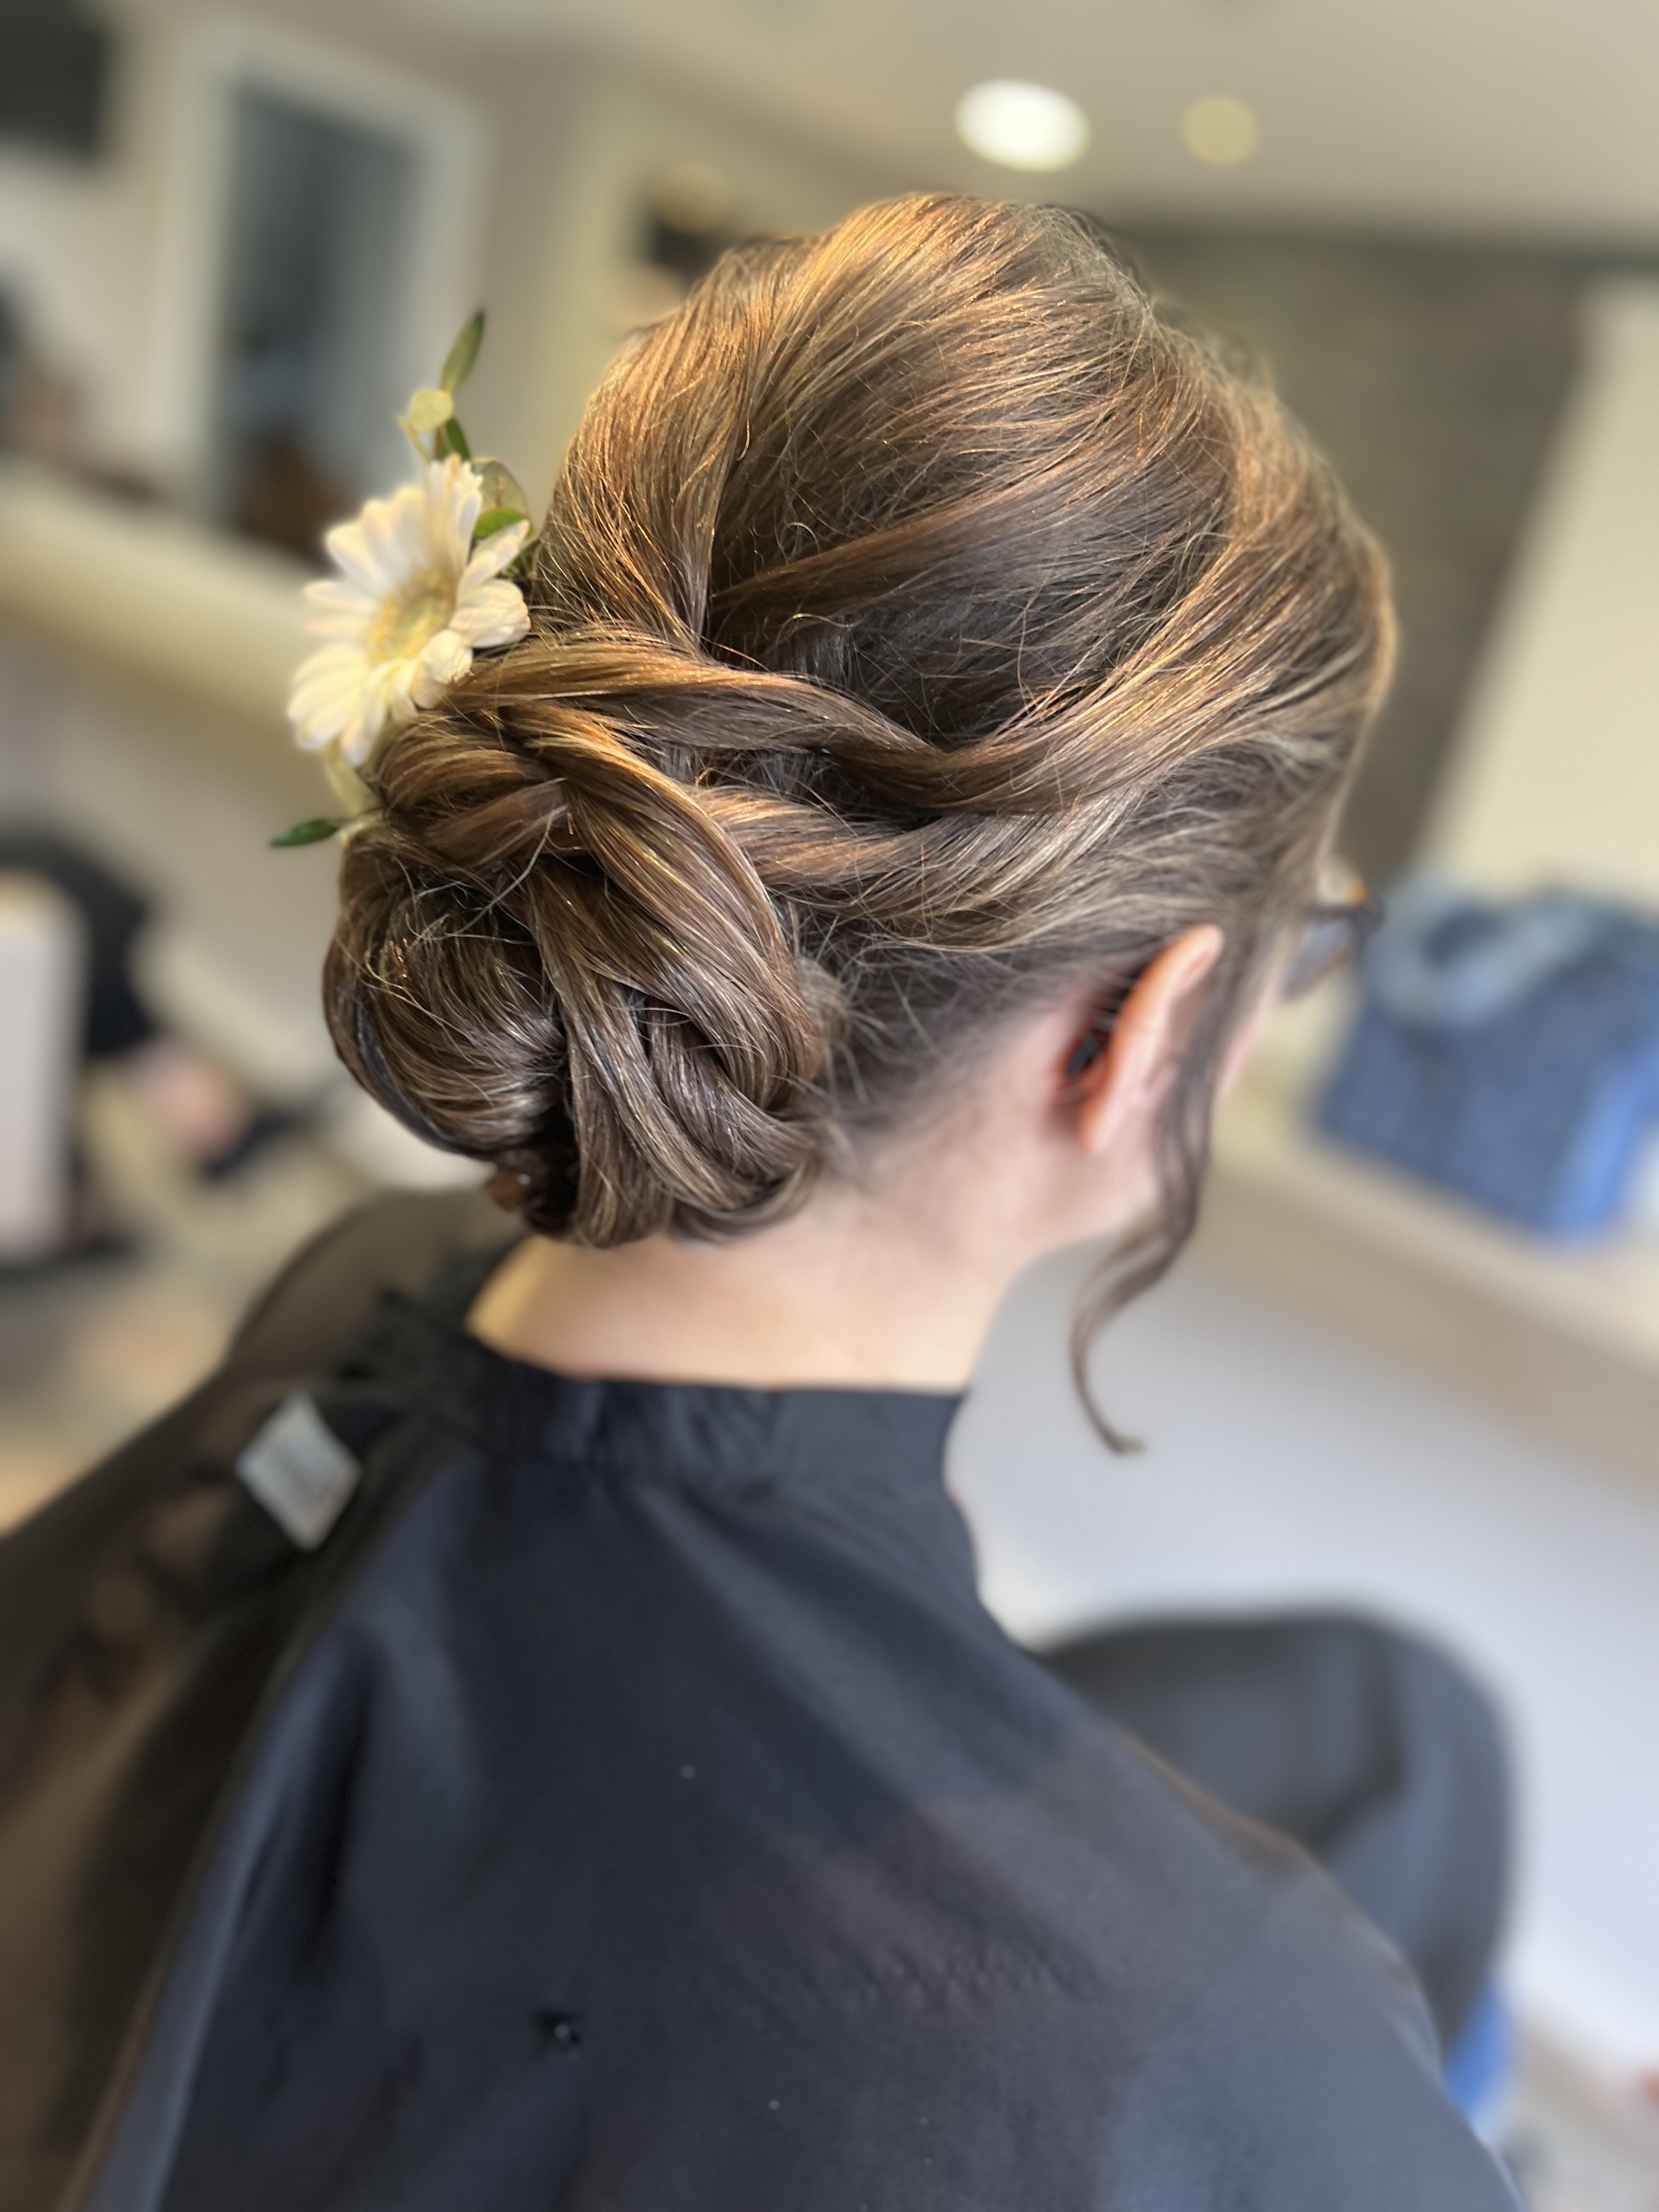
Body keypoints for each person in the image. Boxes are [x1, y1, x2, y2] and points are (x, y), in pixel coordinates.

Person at [0, 195, 1514, 2209]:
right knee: (1422, 1748)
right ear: (1143, 1039)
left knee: (1393, 1723)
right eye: (1300, 944)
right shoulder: (1241, 2084)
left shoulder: (354, 1293)